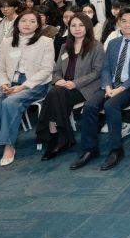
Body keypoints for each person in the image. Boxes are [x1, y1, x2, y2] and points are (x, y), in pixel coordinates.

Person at [0, 10, 54, 169]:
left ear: (38, 25)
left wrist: (23, 86)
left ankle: (9, 146)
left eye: (32, 21)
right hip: (9, 83)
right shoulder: (7, 42)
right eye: (24, 21)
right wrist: (4, 84)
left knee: (10, 103)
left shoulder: (46, 42)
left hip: (34, 84)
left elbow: (46, 70)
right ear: (17, 23)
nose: (27, 24)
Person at [70, 8, 130, 171]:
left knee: (111, 105)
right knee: (89, 106)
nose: (127, 24)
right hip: (111, 85)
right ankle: (89, 149)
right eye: (124, 21)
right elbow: (106, 67)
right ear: (118, 23)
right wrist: (108, 85)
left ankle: (116, 149)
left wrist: (121, 88)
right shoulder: (114, 43)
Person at [34, 13, 104, 160]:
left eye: (81, 25)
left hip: (85, 87)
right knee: (55, 93)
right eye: (73, 25)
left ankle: (57, 137)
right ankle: (59, 138)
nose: (77, 29)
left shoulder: (96, 45)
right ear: (69, 28)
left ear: (87, 27)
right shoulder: (65, 46)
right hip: (64, 86)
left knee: (54, 95)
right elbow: (57, 70)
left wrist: (75, 83)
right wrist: (58, 80)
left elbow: (97, 72)